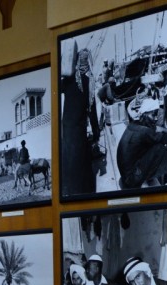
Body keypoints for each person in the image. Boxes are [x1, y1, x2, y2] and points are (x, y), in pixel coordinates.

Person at [116, 98, 167, 189]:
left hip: (125, 175)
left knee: (155, 143)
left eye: (156, 115)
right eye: (153, 115)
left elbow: (157, 129)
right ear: (145, 114)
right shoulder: (145, 132)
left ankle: (165, 174)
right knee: (160, 147)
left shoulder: (135, 124)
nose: (156, 118)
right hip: (132, 179)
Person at [60, 43, 101, 196]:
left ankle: (67, 190)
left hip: (66, 129)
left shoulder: (69, 80)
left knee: (68, 160)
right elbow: (92, 112)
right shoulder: (90, 82)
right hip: (78, 130)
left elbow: (58, 87)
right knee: (81, 164)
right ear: (88, 62)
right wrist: (96, 133)